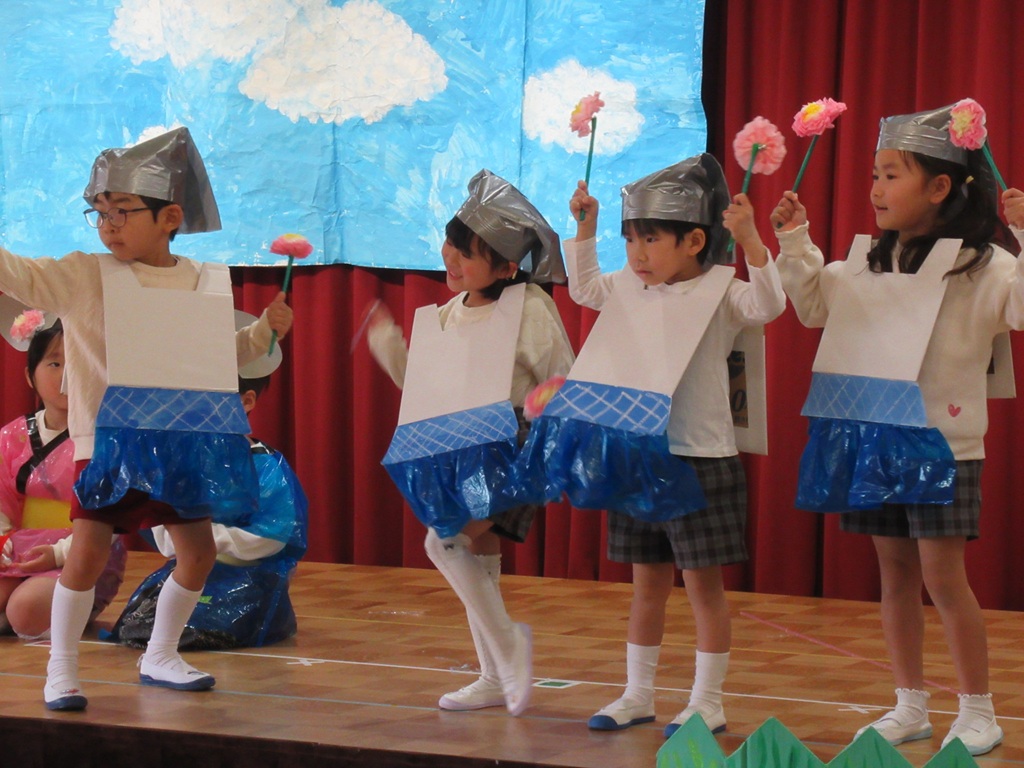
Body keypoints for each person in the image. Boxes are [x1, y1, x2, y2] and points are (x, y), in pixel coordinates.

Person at [0, 127, 293, 711]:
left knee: (198, 553)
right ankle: (62, 668)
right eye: (99, 212)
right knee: (85, 553)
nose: (108, 225)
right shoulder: (85, 274)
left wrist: (264, 332)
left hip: (181, 439)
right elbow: (20, 274)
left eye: (122, 211)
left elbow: (219, 356)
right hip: (108, 443)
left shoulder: (200, 280)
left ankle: (160, 654)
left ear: (170, 217)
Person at [770, 103, 1022, 757]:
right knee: (895, 574)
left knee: (944, 576)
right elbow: (813, 306)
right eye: (874, 175)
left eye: (891, 175)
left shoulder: (987, 266)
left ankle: (978, 708)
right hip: (875, 435)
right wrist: (794, 241)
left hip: (943, 444)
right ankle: (909, 703)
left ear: (939, 187)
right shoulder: (868, 263)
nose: (876, 189)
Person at [533, 154, 785, 738]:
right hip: (636, 455)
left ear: (694, 241)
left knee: (702, 587)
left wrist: (751, 241)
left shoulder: (722, 291)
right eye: (630, 240)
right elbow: (585, 288)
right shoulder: (627, 286)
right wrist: (586, 229)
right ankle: (638, 693)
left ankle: (707, 701)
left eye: (650, 239)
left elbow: (768, 305)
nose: (637, 254)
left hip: (700, 456)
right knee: (646, 584)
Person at [365, 170, 575, 716]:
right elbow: (428, 389)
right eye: (451, 244)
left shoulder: (529, 306)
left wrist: (549, 427)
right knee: (478, 553)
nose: (452, 259)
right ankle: (492, 674)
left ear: (507, 267)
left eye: (468, 253)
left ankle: (508, 647)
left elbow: (563, 378)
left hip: (514, 444)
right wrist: (392, 351)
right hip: (461, 445)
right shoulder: (447, 314)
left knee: (445, 541)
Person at [110, 314, 308, 650]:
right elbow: (158, 519)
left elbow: (272, 535)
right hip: (186, 569)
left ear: (246, 401)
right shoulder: (179, 459)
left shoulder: (264, 464)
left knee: (213, 625)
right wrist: (187, 544)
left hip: (246, 575)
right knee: (139, 623)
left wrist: (203, 540)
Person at [0, 312, 125, 639]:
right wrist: (3, 545)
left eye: (78, 362)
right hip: (21, 550)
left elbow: (112, 518)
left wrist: (58, 553)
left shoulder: (107, 438)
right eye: (55, 364)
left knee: (25, 611)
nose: (68, 375)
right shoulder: (10, 436)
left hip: (84, 552)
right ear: (30, 376)